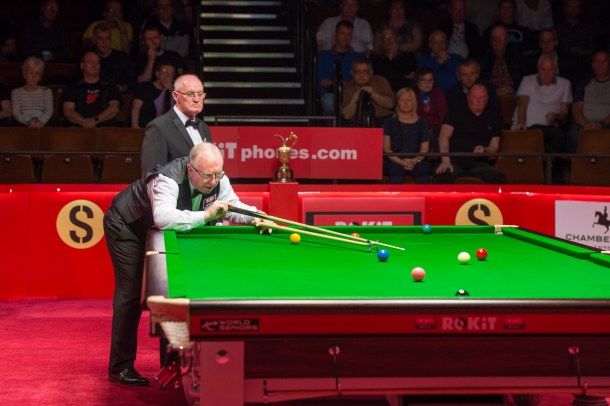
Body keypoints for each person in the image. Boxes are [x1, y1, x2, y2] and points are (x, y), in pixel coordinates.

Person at [104, 142, 274, 386]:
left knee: (173, 293)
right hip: (128, 226)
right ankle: (120, 367)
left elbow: (231, 206)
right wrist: (206, 216)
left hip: (160, 233)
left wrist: (257, 217)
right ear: (190, 169)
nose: (213, 181)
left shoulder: (217, 177)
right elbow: (163, 218)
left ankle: (171, 364)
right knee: (130, 294)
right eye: (207, 176)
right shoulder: (166, 178)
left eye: (218, 174)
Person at [435, 84, 506, 184]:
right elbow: (443, 137)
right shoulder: (454, 113)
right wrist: (445, 160)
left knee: (498, 178)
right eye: (475, 97)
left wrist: (485, 150)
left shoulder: (494, 118)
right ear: (468, 98)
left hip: (479, 164)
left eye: (482, 97)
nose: (478, 101)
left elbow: (494, 147)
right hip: (454, 161)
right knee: (443, 176)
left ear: (487, 100)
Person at [141, 74, 212, 173]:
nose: (196, 99)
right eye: (190, 94)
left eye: (200, 94)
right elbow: (151, 174)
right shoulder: (159, 127)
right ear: (175, 96)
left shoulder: (203, 127)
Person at [513, 55, 572, 155]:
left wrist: (555, 116)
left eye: (550, 70)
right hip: (527, 125)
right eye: (543, 69)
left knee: (559, 135)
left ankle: (550, 163)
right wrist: (521, 123)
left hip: (548, 127)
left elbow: (564, 112)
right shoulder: (527, 80)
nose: (546, 74)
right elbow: (523, 104)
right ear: (538, 68)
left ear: (555, 69)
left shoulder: (565, 84)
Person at [316, 20, 365, 117]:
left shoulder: (359, 57)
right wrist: (342, 84)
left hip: (353, 93)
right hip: (331, 94)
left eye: (349, 34)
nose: (346, 37)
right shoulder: (322, 56)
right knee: (328, 101)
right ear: (335, 35)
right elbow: (321, 81)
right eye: (342, 33)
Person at [383, 87, 431, 184]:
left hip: (417, 161)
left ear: (414, 102)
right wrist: (401, 162)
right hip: (395, 161)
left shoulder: (422, 123)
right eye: (402, 100)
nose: (406, 103)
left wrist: (414, 161)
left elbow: (424, 149)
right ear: (397, 102)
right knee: (396, 171)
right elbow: (387, 149)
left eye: (409, 100)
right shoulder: (389, 122)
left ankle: (423, 194)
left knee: (423, 171)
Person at [62, 51, 122, 128]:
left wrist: (95, 120)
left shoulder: (109, 85)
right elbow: (68, 111)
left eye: (97, 62)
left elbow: (114, 108)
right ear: (82, 65)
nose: (94, 65)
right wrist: (83, 122)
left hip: (105, 128)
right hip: (78, 128)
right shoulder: (73, 86)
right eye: (90, 62)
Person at [567, 51, 610, 153]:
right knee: (573, 132)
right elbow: (576, 108)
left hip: (607, 124)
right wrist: (585, 125)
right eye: (596, 62)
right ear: (592, 65)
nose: (600, 65)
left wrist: (601, 124)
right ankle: (574, 162)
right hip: (585, 124)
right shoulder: (584, 83)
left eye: (603, 62)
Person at [341, 58, 395, 127]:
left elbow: (390, 104)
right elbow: (346, 115)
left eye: (365, 71)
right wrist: (357, 95)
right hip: (358, 123)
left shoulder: (380, 80)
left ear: (371, 73)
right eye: (357, 71)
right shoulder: (347, 87)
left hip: (383, 120)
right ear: (352, 73)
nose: (361, 75)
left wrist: (372, 93)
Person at [554, 0, 601, 73]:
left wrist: (584, 52)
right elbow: (553, 50)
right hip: (562, 66)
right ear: (565, 9)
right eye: (570, 7)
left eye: (576, 7)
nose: (573, 10)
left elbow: (593, 50)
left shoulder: (587, 29)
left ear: (580, 10)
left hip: (584, 66)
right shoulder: (557, 28)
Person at [479, 24, 525, 99]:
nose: (498, 41)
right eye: (494, 38)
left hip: (516, 95)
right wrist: (494, 90)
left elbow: (525, 77)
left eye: (501, 38)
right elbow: (480, 80)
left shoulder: (517, 56)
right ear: (490, 40)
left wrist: (513, 88)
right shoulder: (483, 58)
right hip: (491, 97)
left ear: (507, 39)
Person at [91, 22, 137, 93]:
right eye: (100, 38)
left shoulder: (122, 57)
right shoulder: (88, 58)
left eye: (107, 38)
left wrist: (123, 87)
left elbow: (133, 82)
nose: (104, 42)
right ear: (94, 40)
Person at [370, 26, 416, 92]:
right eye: (385, 36)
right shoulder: (376, 58)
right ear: (382, 41)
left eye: (391, 35)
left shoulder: (408, 56)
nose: (389, 39)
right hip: (383, 92)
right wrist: (391, 55)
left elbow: (409, 75)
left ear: (397, 38)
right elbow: (381, 78)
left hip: (403, 92)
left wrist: (393, 58)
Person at [11, 56, 54, 128]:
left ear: (40, 77)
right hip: (24, 122)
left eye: (37, 73)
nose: (33, 76)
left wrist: (41, 121)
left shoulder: (46, 91)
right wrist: (28, 122)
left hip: (43, 122)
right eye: (30, 72)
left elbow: (49, 111)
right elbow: (16, 113)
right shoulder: (16, 92)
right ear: (24, 74)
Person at [132, 63, 176, 128]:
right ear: (157, 74)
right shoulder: (144, 87)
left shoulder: (175, 93)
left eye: (170, 73)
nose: (167, 75)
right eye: (164, 71)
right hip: (143, 129)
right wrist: (135, 126)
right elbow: (136, 107)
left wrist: (170, 90)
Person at [414, 67, 447, 151]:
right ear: (417, 82)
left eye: (430, 80)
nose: (427, 83)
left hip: (436, 129)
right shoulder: (413, 95)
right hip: (418, 129)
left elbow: (443, 116)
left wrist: (432, 130)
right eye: (423, 80)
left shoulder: (438, 93)